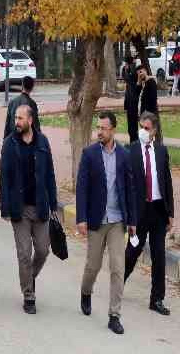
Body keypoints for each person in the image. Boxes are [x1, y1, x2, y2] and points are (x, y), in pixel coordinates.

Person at [76, 111, 137, 335]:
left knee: (117, 268)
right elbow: (82, 188)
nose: (99, 132)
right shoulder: (89, 154)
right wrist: (81, 218)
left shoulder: (124, 155)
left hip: (117, 220)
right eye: (98, 128)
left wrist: (133, 220)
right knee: (93, 266)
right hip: (95, 219)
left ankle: (114, 315)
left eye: (103, 128)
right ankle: (85, 291)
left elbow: (130, 189)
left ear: (112, 130)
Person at [0, 104, 57, 315]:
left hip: (40, 206)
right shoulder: (9, 143)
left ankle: (28, 276)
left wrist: (53, 203)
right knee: (25, 253)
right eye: (16, 118)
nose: (17, 122)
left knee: (42, 250)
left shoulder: (43, 142)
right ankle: (29, 295)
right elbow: (4, 178)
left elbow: (50, 174)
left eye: (21, 118)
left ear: (30, 120)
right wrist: (5, 207)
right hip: (19, 208)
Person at [124, 111, 173, 316]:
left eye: (147, 128)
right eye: (141, 127)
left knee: (159, 255)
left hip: (158, 210)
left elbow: (167, 182)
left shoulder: (161, 151)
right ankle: (119, 280)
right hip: (139, 211)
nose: (143, 131)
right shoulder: (131, 151)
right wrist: (129, 216)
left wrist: (170, 212)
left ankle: (157, 299)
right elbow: (127, 185)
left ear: (154, 131)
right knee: (133, 251)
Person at [123, 57, 141, 144]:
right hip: (130, 102)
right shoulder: (130, 70)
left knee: (133, 126)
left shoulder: (133, 71)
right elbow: (125, 77)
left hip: (133, 102)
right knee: (131, 127)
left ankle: (134, 142)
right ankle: (133, 142)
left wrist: (126, 69)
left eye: (125, 64)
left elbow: (128, 78)